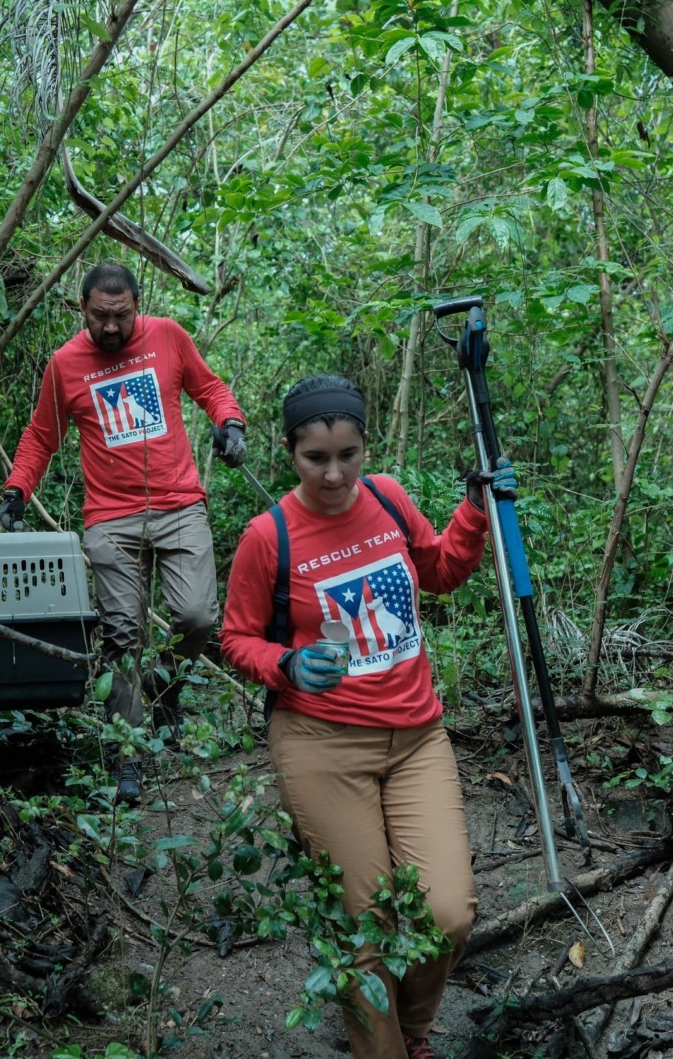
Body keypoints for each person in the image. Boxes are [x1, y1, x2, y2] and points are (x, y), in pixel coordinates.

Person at [219, 374, 514, 1059]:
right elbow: (235, 638)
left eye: (347, 454)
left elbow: (439, 570)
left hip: (415, 736)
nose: (333, 473)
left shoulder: (387, 497)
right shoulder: (267, 537)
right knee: (365, 929)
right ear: (288, 452)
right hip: (320, 743)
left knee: (444, 915)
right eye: (314, 458)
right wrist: (285, 665)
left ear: (364, 445)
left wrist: (472, 510)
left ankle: (411, 1028)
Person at [0, 263, 247, 803]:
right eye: (99, 316)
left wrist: (230, 424)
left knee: (198, 616)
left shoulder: (169, 337)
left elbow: (210, 389)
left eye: (121, 315)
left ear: (138, 304)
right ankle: (126, 754)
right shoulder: (66, 364)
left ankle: (166, 683)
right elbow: (42, 436)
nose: (111, 327)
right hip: (110, 518)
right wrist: (18, 489)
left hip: (180, 504)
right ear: (81, 308)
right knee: (122, 635)